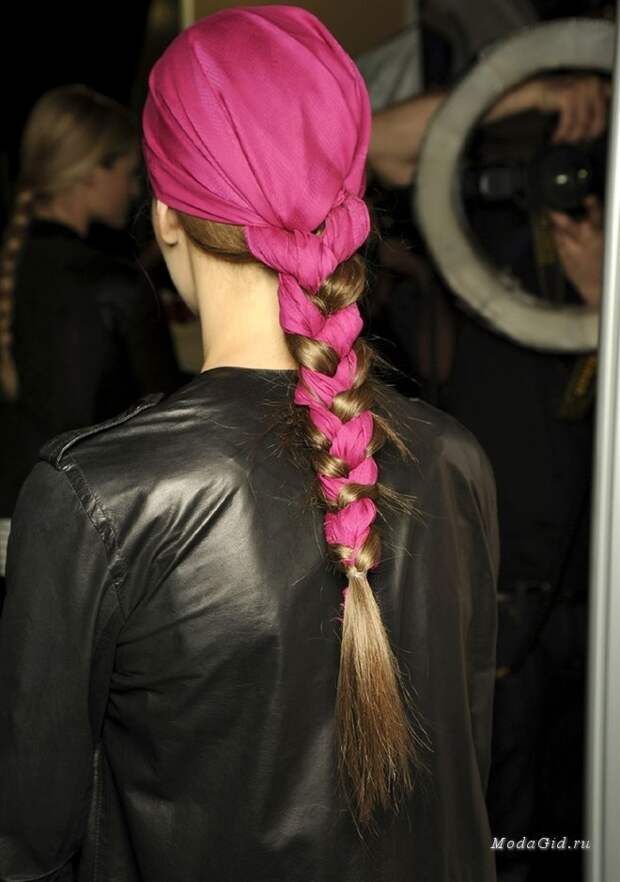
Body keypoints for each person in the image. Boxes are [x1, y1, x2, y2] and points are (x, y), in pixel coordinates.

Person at [0, 9, 499, 881]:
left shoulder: (101, 495)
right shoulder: (458, 462)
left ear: (165, 215)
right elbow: (469, 788)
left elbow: (28, 848)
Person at [0, 85, 181, 518]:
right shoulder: (110, 284)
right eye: (129, 173)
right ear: (90, 173)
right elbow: (170, 422)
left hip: (15, 507)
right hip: (82, 521)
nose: (133, 190)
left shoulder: (21, 263)